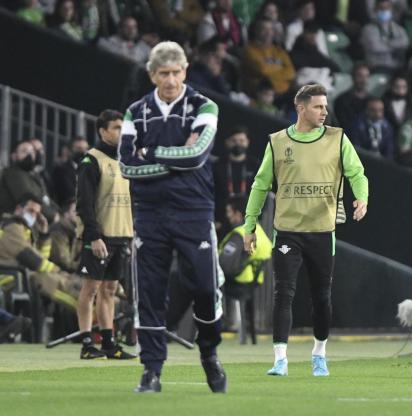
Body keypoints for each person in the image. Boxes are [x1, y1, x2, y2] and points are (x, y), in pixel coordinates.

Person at [118, 41, 227, 393]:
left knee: (206, 289)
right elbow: (125, 165)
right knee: (149, 292)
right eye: (163, 73)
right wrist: (170, 158)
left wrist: (148, 152)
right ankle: (151, 371)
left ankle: (209, 354)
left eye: (176, 72)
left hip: (194, 209)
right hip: (149, 213)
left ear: (186, 70)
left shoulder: (204, 105)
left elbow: (196, 155)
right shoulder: (135, 111)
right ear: (152, 74)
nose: (170, 80)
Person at [243, 84, 368, 377]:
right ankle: (280, 359)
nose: (324, 111)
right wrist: (249, 225)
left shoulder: (337, 139)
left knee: (321, 296)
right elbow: (260, 185)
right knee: (282, 293)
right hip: (287, 231)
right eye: (318, 106)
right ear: (301, 108)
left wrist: (361, 197)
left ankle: (319, 354)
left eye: (325, 106)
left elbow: (357, 172)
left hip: (323, 230)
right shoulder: (277, 142)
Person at [76, 110, 136, 360]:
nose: (121, 132)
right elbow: (84, 204)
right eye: (116, 127)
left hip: (121, 234)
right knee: (91, 288)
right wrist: (93, 236)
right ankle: (87, 344)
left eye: (123, 127)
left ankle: (110, 344)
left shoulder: (125, 160)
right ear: (102, 131)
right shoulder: (92, 161)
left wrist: (131, 235)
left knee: (110, 289)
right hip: (100, 236)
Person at [218, 196, 272, 344]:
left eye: (230, 211)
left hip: (236, 283)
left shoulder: (240, 234)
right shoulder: (260, 232)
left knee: (200, 284)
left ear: (239, 214)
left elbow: (225, 265)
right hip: (253, 283)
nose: (228, 215)